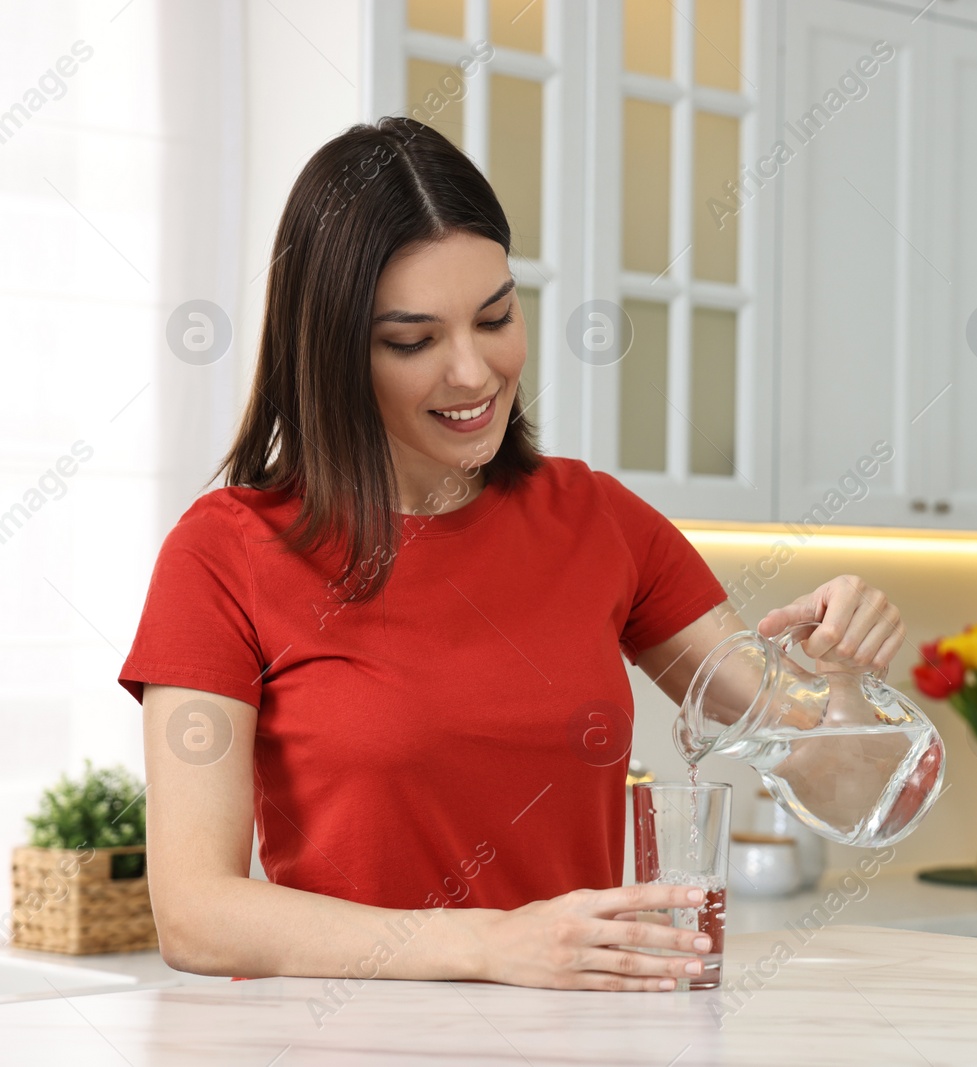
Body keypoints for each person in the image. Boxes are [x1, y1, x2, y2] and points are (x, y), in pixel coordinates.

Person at [118, 117, 906, 993]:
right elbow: (195, 914)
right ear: (331, 352)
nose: (474, 372)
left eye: (495, 317)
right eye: (412, 341)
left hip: (577, 1044)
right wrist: (491, 946)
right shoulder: (225, 551)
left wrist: (837, 685)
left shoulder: (597, 520)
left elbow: (853, 794)